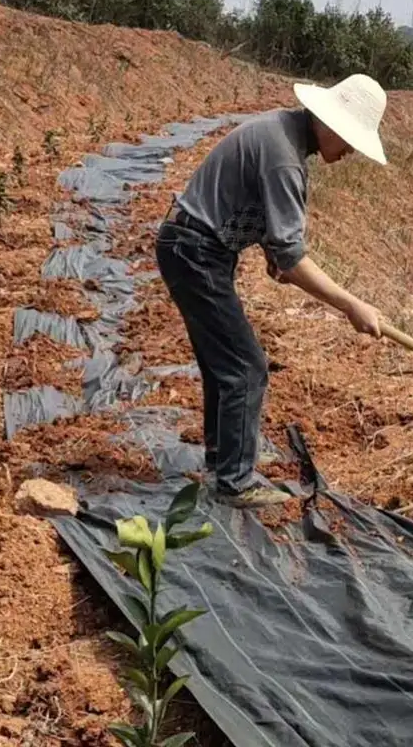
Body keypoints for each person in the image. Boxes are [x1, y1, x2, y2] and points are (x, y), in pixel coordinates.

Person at [155, 74, 388, 508]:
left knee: (223, 363)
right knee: (247, 367)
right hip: (195, 253)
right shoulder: (284, 157)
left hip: (193, 247)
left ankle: (222, 458)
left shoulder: (283, 132)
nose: (351, 151)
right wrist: (351, 304)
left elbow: (258, 210)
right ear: (331, 125)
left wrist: (270, 250)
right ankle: (235, 482)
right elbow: (292, 257)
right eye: (351, 140)